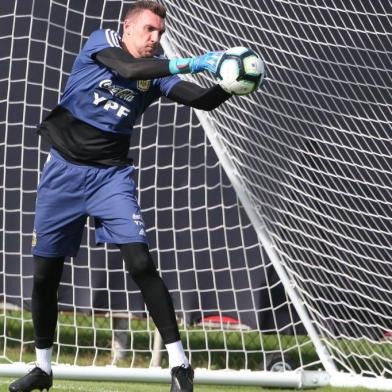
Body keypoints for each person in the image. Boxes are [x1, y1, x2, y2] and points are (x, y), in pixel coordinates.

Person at [9, 2, 233, 391]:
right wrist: (196, 62)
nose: (155, 39)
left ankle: (180, 364)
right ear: (126, 28)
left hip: (110, 177)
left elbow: (202, 101)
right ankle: (43, 368)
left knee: (141, 262)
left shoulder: (158, 72)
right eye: (149, 30)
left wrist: (232, 81)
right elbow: (129, 69)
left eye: (160, 33)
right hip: (62, 173)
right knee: (45, 276)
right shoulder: (102, 42)